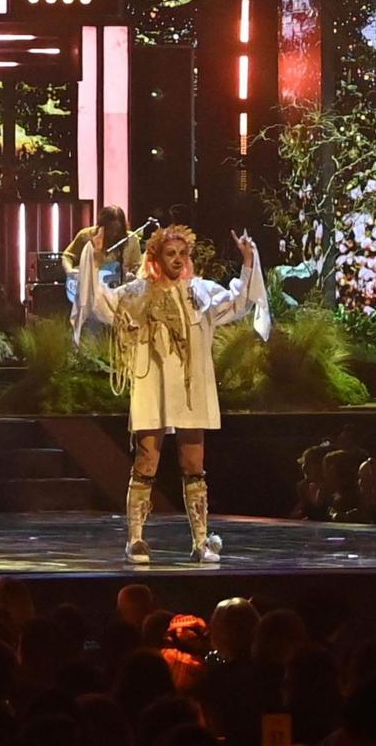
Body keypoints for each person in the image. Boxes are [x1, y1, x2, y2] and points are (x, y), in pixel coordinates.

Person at [68, 220, 267, 565]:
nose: (177, 259)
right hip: (154, 384)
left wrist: (249, 262)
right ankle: (135, 539)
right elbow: (100, 303)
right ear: (156, 257)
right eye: (170, 253)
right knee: (147, 460)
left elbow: (239, 303)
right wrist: (94, 258)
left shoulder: (200, 293)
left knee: (194, 464)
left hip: (191, 388)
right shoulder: (137, 294)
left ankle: (200, 542)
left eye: (182, 253)